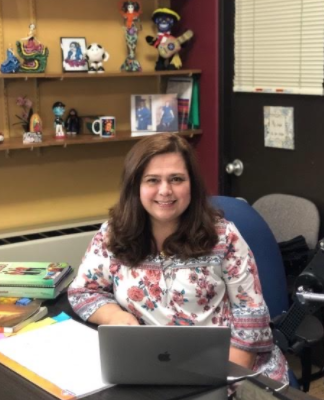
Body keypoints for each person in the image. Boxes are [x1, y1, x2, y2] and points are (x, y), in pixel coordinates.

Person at [68, 133, 288, 384]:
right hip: (148, 366)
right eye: (152, 180)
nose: (165, 191)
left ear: (191, 184)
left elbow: (250, 316)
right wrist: (115, 317)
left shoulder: (223, 237)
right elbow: (83, 291)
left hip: (224, 364)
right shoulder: (113, 234)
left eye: (176, 179)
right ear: (135, 185)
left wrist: (225, 382)